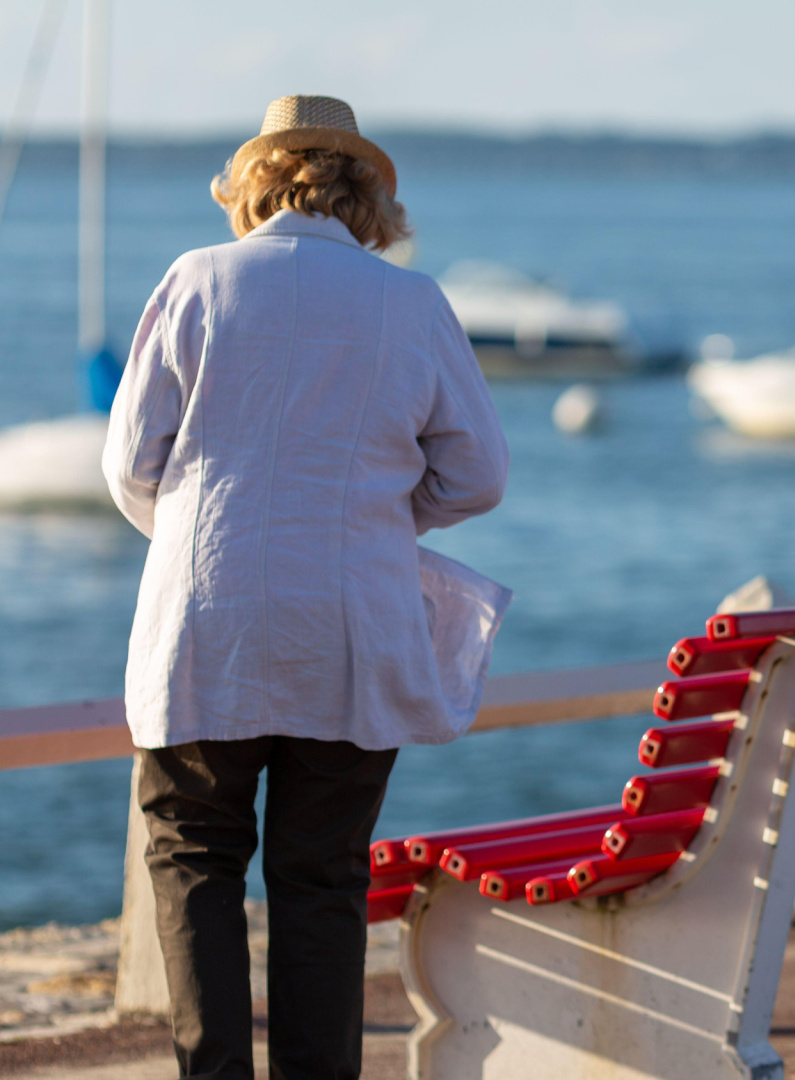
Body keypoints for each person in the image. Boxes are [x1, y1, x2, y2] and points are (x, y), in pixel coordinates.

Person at [102, 95, 509, 1080]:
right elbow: (478, 476)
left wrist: (212, 534)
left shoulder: (197, 280)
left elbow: (128, 466)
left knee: (196, 860)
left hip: (209, 617)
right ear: (368, 199)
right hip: (352, 623)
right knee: (322, 879)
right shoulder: (412, 303)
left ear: (253, 188)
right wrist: (366, 524)